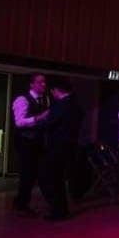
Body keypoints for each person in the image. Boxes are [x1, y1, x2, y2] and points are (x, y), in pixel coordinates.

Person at [39, 79, 84, 221]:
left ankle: (57, 210)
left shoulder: (61, 105)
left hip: (58, 146)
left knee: (51, 178)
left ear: (56, 91)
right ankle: (61, 209)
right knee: (59, 178)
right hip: (70, 145)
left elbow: (48, 123)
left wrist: (38, 120)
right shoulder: (76, 105)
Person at [12, 73, 49, 214]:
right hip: (25, 142)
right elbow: (19, 122)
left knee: (35, 173)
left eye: (44, 82)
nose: (43, 85)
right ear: (31, 84)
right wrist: (39, 118)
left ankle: (21, 201)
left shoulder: (44, 99)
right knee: (27, 173)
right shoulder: (22, 99)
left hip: (37, 141)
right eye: (40, 82)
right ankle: (21, 204)